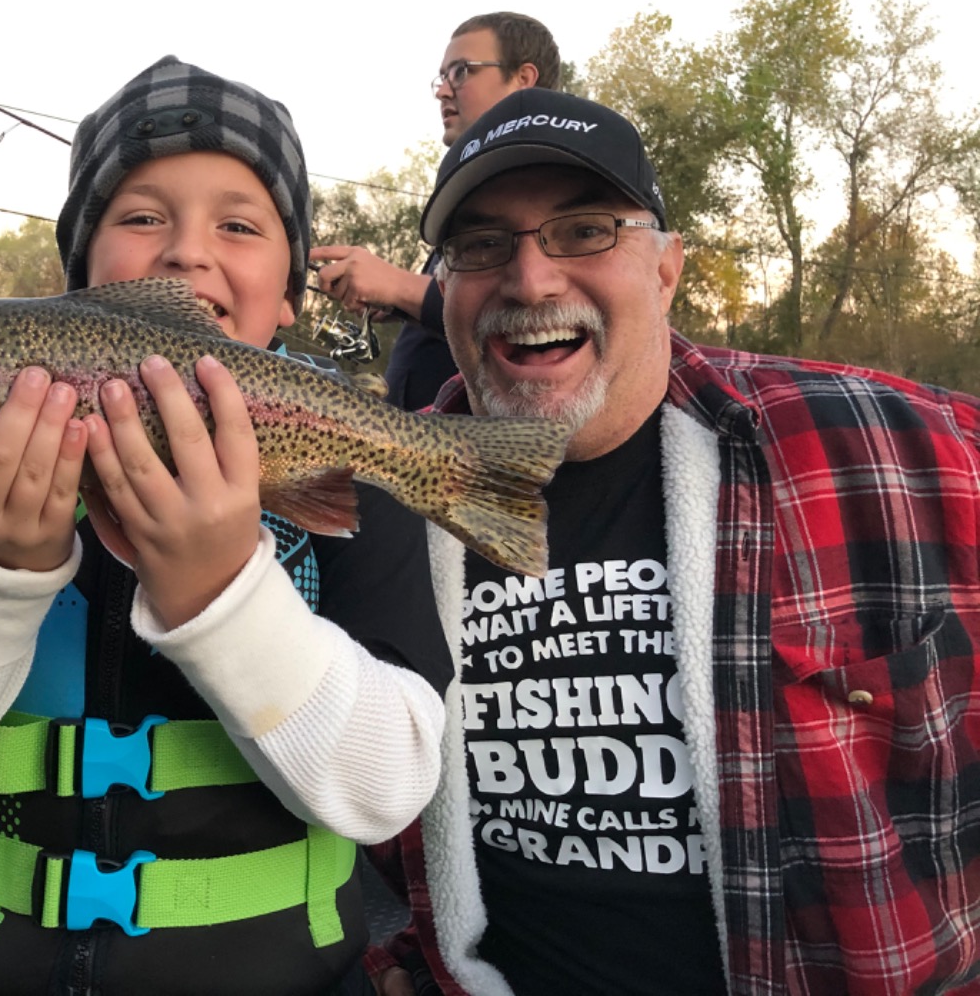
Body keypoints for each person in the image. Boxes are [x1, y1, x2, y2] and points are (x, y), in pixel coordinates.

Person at [0, 57, 456, 996]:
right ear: (74, 286)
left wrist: (222, 587)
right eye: (142, 217)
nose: (187, 252)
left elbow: (389, 789)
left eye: (239, 223)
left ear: (292, 295)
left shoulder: (351, 477)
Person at [367, 86, 980, 995]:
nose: (530, 280)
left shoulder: (894, 449)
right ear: (445, 286)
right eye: (482, 245)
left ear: (666, 269)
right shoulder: (381, 500)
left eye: (583, 231)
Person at [310, 12, 560, 410]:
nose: (443, 91)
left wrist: (396, 285)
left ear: (523, 79)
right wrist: (401, 304)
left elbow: (538, 314)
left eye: (461, 72)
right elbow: (468, 307)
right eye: (441, 77)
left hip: (465, 460)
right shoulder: (470, 187)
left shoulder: (551, 181)